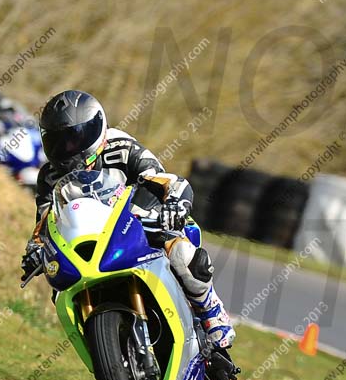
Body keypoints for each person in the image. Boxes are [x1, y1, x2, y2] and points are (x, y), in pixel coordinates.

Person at [20, 90, 236, 350]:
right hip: (87, 240)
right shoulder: (49, 177)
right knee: (59, 287)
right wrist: (35, 249)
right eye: (59, 142)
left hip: (138, 223)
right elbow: (45, 221)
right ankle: (102, 348)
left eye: (75, 138)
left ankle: (210, 308)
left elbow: (159, 179)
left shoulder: (121, 146)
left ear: (96, 128)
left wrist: (174, 205)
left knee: (181, 253)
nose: (68, 149)